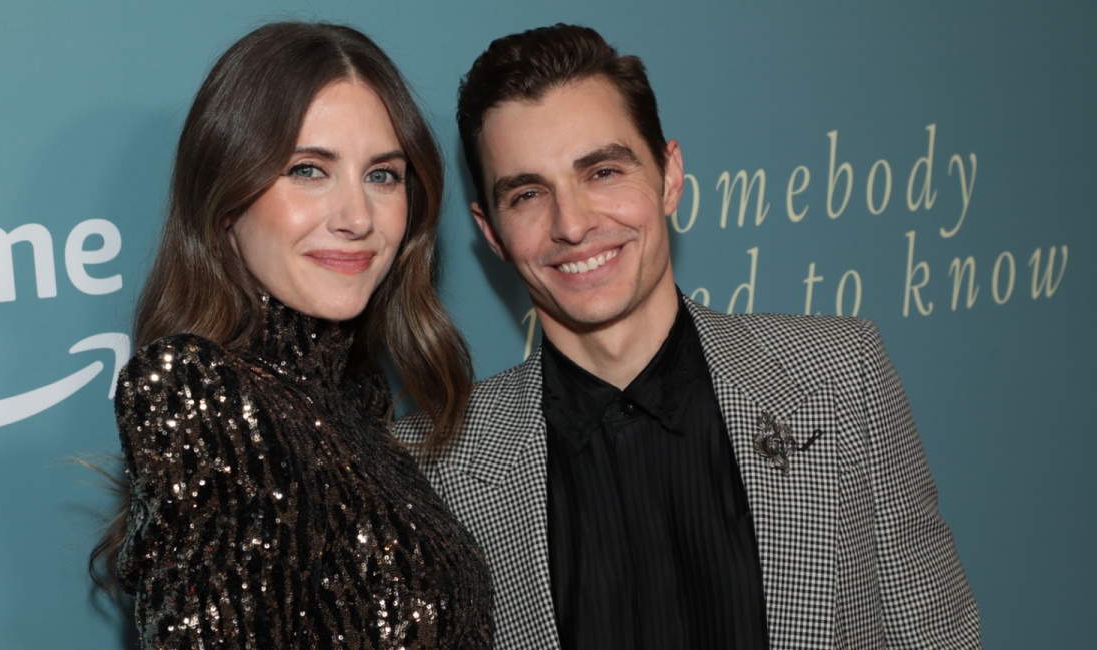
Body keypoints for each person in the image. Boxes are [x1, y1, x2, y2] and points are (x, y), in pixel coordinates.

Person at [394, 23, 981, 650]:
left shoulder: (842, 373)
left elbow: (934, 635)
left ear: (670, 176)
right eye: (529, 193)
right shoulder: (431, 469)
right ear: (491, 232)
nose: (572, 224)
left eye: (602, 172)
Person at [90, 22, 493, 649]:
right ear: (227, 202)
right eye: (309, 170)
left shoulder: (353, 401)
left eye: (383, 175)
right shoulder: (199, 390)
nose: (358, 217)